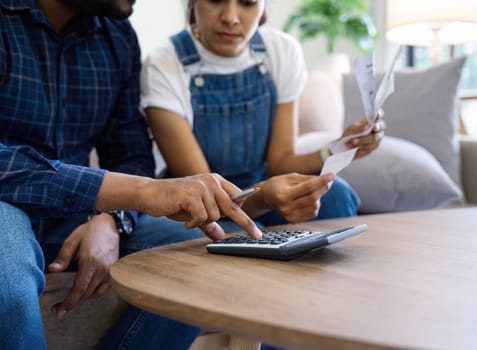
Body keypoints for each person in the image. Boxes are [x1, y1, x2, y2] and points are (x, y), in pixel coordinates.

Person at [0, 0, 332, 349]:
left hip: (75, 209)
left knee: (225, 248)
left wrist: (112, 216)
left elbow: (130, 154)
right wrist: (137, 193)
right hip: (6, 204)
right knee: (6, 275)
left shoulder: (117, 37)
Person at [141, 0, 384, 231]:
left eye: (248, 2)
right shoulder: (163, 65)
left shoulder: (281, 51)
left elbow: (281, 163)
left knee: (337, 196)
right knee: (229, 231)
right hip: (197, 205)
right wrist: (266, 197)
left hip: (264, 187)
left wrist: (341, 147)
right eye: (215, 1)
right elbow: (208, 200)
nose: (231, 18)